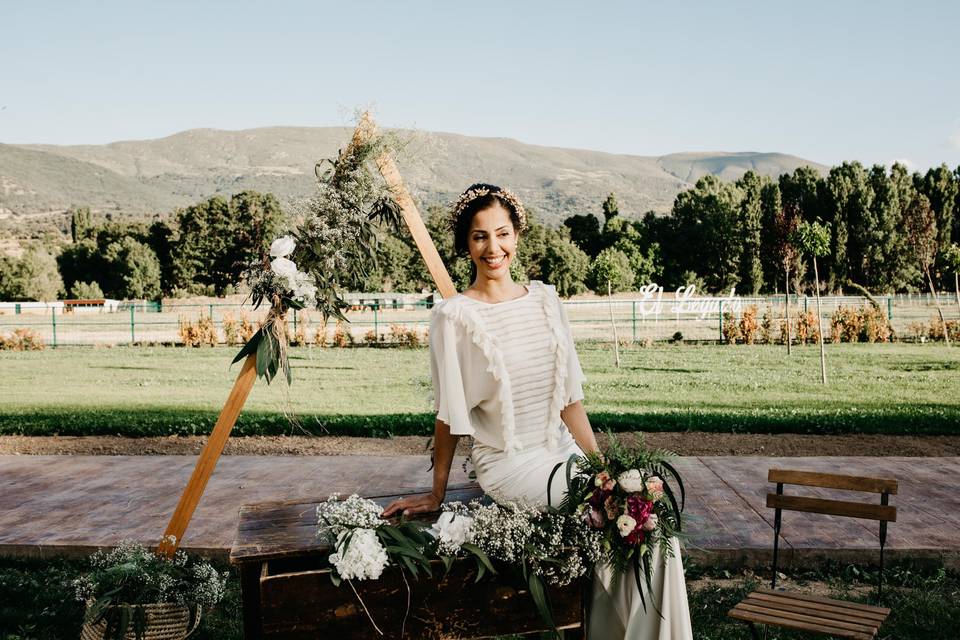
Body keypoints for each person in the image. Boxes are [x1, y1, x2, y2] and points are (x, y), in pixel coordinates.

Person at [382, 184, 692, 639]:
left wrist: (606, 470)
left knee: (645, 518)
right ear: (466, 245)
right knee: (611, 519)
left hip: (562, 451)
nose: (494, 248)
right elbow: (449, 415)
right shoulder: (453, 318)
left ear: (517, 235)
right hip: (509, 463)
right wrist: (436, 492)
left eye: (502, 233)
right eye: (480, 236)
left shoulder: (547, 302)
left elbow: (569, 402)